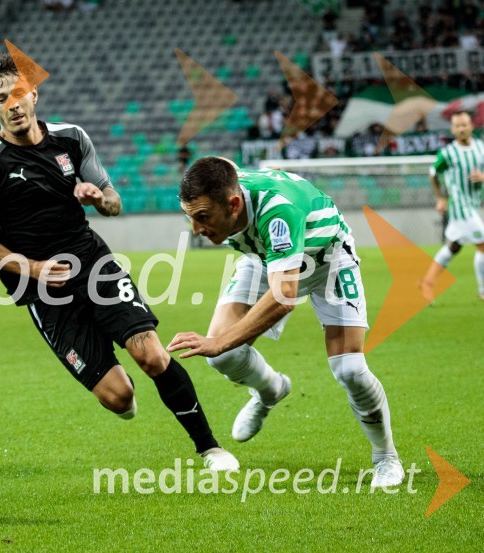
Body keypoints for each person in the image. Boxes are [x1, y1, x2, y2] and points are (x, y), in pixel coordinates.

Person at [0, 53, 237, 470]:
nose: (12, 105)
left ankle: (210, 449)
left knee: (153, 357)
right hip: (41, 291)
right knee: (118, 397)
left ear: (33, 94)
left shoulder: (72, 138)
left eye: (18, 93)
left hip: (93, 265)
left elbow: (114, 202)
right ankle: (120, 392)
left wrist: (99, 197)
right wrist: (31, 268)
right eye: (1, 98)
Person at [168, 156, 404, 487]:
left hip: (327, 260)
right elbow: (221, 163)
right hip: (266, 259)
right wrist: (219, 345)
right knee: (221, 356)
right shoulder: (228, 186)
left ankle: (386, 458)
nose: (196, 229)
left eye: (203, 217)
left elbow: (284, 296)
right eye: (190, 218)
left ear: (234, 204)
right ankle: (270, 391)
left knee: (350, 369)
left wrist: (219, 340)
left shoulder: (277, 210)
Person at [421, 111, 484, 301]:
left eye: (465, 124)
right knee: (482, 245)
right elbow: (432, 173)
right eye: (458, 126)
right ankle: (483, 290)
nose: (462, 129)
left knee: (454, 246)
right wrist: (440, 198)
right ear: (453, 129)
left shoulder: (481, 148)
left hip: (473, 205)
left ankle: (427, 282)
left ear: (471, 125)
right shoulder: (448, 153)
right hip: (459, 206)